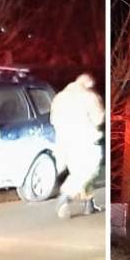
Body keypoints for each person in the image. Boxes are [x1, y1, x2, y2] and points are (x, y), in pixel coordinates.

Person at [49, 73, 105, 219]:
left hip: (65, 141)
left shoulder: (59, 97)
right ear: (89, 84)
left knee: (79, 171)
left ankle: (89, 203)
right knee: (88, 170)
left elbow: (53, 119)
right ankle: (65, 197)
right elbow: (98, 118)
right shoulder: (89, 96)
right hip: (85, 139)